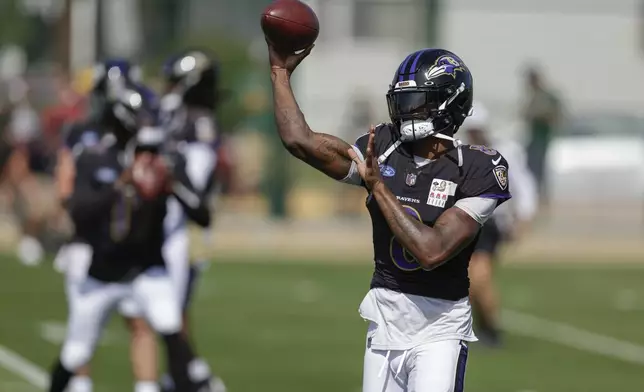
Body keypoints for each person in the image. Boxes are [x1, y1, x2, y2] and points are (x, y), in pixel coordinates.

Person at [266, 43, 511, 392]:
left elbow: (432, 251)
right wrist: (280, 72)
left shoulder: (477, 167)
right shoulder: (384, 146)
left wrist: (379, 187)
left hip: (439, 328)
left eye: (417, 102)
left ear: (448, 104)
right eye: (402, 101)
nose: (405, 112)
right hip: (385, 319)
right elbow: (299, 140)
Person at [47, 81, 212, 392]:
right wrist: (122, 185)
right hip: (102, 272)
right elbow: (80, 212)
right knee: (76, 352)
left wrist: (172, 183)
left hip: (147, 267)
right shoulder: (95, 158)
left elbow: (202, 215)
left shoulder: (168, 161)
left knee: (172, 331)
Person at [54, 59, 164, 392]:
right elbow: (66, 189)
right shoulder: (83, 135)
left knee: (140, 322)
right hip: (89, 243)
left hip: (129, 244)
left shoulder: (140, 139)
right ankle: (80, 385)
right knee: (84, 330)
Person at [154, 48, 226, 392]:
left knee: (173, 307)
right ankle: (185, 373)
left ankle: (192, 376)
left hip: (188, 227)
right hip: (176, 223)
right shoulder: (181, 116)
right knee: (174, 308)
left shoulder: (197, 120)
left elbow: (195, 189)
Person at [461, 101, 538, 347]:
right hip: (462, 223)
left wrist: (523, 219)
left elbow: (523, 186)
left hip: (490, 225)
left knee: (478, 277)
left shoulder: (503, 153)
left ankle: (488, 330)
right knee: (471, 280)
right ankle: (487, 328)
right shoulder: (461, 152)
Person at [522, 65, 562, 203]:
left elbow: (551, 114)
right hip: (534, 137)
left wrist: (535, 115)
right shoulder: (534, 96)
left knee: (538, 168)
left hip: (542, 136)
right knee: (532, 168)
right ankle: (536, 195)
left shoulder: (545, 96)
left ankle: (541, 196)